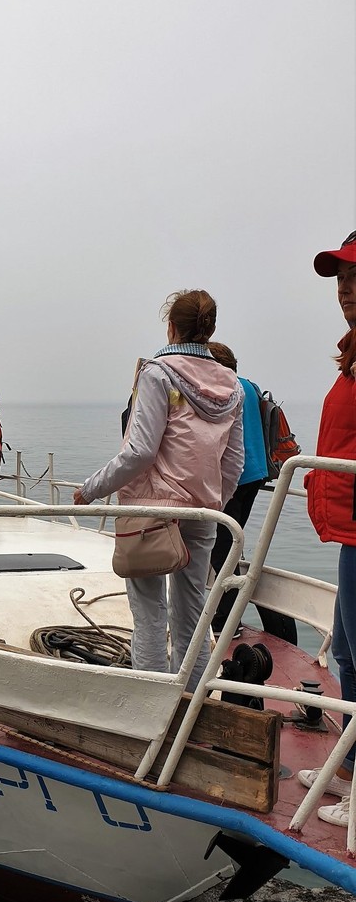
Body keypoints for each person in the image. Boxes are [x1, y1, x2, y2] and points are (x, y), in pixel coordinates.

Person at [74, 290, 244, 691]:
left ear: (171, 326)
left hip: (151, 511)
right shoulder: (233, 386)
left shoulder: (157, 373)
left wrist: (91, 489)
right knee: (192, 616)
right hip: (203, 511)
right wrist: (214, 501)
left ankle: (149, 708)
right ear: (210, 329)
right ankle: (190, 708)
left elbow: (140, 452)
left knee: (149, 614)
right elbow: (233, 463)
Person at [297, 231, 356, 827]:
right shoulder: (352, 352)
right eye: (341, 278)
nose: (346, 289)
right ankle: (351, 764)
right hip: (348, 526)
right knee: (345, 652)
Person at [206, 343, 270, 635]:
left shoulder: (225, 389)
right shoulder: (250, 386)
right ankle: (226, 615)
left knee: (220, 551)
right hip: (256, 474)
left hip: (234, 477)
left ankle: (224, 622)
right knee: (232, 544)